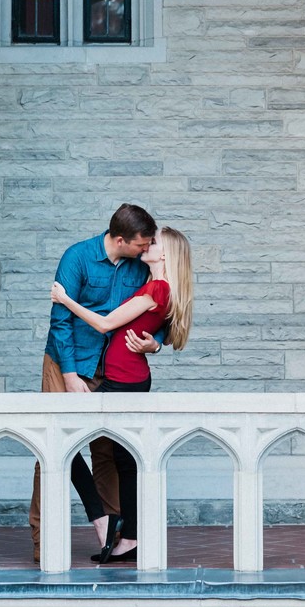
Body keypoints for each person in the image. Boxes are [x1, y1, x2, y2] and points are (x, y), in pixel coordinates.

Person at [28, 203, 165, 565]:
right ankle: (45, 543)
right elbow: (60, 321)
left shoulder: (141, 268)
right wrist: (71, 375)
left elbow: (157, 312)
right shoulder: (77, 257)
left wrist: (156, 342)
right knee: (53, 450)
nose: (147, 248)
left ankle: (114, 537)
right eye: (142, 243)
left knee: (109, 450)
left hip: (113, 369)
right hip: (66, 361)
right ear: (121, 239)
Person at [50, 225, 193, 562]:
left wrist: (65, 299)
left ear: (165, 254)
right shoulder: (155, 286)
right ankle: (130, 538)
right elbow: (163, 333)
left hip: (122, 381)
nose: (147, 243)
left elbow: (104, 324)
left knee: (62, 447)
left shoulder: (157, 287)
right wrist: (154, 343)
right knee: (126, 461)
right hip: (130, 378)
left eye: (154, 242)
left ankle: (103, 518)